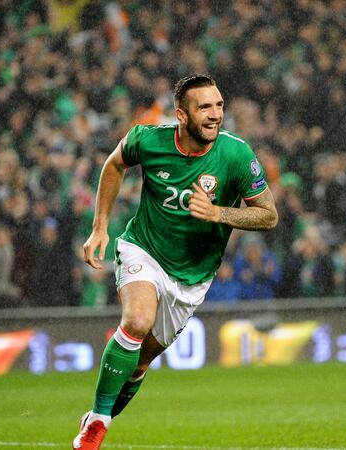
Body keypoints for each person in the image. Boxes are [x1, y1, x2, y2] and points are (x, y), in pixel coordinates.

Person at [73, 74, 278, 449]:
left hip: (192, 277)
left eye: (219, 105)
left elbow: (268, 215)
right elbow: (115, 164)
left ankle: (97, 414)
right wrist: (100, 226)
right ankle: (98, 424)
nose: (215, 114)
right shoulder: (148, 140)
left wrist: (218, 214)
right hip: (145, 249)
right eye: (204, 107)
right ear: (181, 116)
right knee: (136, 321)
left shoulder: (236, 154)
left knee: (138, 364)